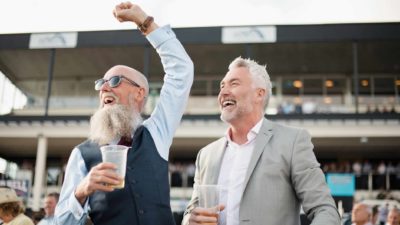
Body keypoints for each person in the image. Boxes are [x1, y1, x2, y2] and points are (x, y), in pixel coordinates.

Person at [54, 2, 193, 225]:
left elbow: (181, 71)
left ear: (140, 93)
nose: (105, 88)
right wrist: (81, 191)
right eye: (102, 83)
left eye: (115, 81)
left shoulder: (156, 133)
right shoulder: (82, 154)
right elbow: (61, 222)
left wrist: (144, 22)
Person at [182, 57, 340, 225]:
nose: (223, 92)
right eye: (222, 86)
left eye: (234, 84)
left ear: (259, 93)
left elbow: (325, 210)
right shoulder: (206, 154)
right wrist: (190, 221)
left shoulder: (292, 142)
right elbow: (191, 212)